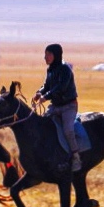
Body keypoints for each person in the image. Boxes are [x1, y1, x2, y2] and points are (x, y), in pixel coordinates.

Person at [35, 43, 81, 172]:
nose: (45, 57)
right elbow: (47, 86)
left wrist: (46, 97)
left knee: (68, 130)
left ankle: (76, 157)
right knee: (42, 125)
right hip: (55, 106)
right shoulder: (50, 69)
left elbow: (61, 88)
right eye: (45, 54)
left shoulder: (65, 69)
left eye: (48, 54)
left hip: (69, 106)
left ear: (56, 55)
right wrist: (39, 93)